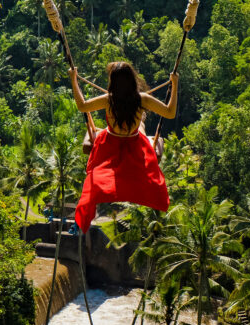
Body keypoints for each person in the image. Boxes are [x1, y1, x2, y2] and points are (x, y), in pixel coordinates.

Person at [69, 62, 178, 233]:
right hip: (134, 142)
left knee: (94, 178)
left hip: (110, 143)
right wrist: (175, 84)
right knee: (139, 126)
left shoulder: (108, 99)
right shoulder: (142, 99)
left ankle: (133, 122)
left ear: (113, 82)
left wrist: (73, 80)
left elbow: (82, 106)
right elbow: (170, 113)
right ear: (132, 81)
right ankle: (138, 120)